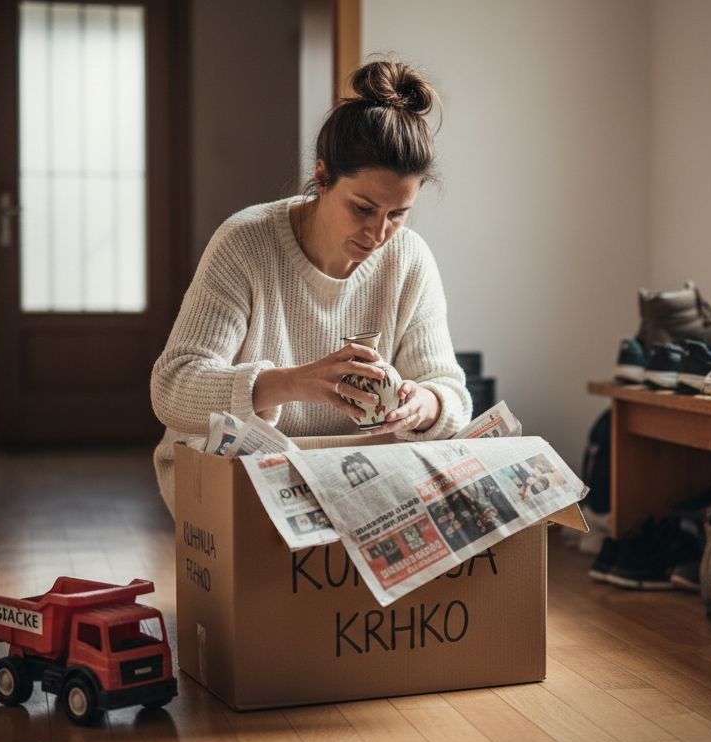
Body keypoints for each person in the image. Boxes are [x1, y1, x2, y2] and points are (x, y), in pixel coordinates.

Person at [150, 59, 471, 513]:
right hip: (240, 476)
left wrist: (425, 405)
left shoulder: (410, 258)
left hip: (354, 476)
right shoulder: (246, 242)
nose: (379, 234)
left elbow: (451, 393)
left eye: (397, 214)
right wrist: (294, 383)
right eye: (363, 208)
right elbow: (172, 388)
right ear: (322, 177)